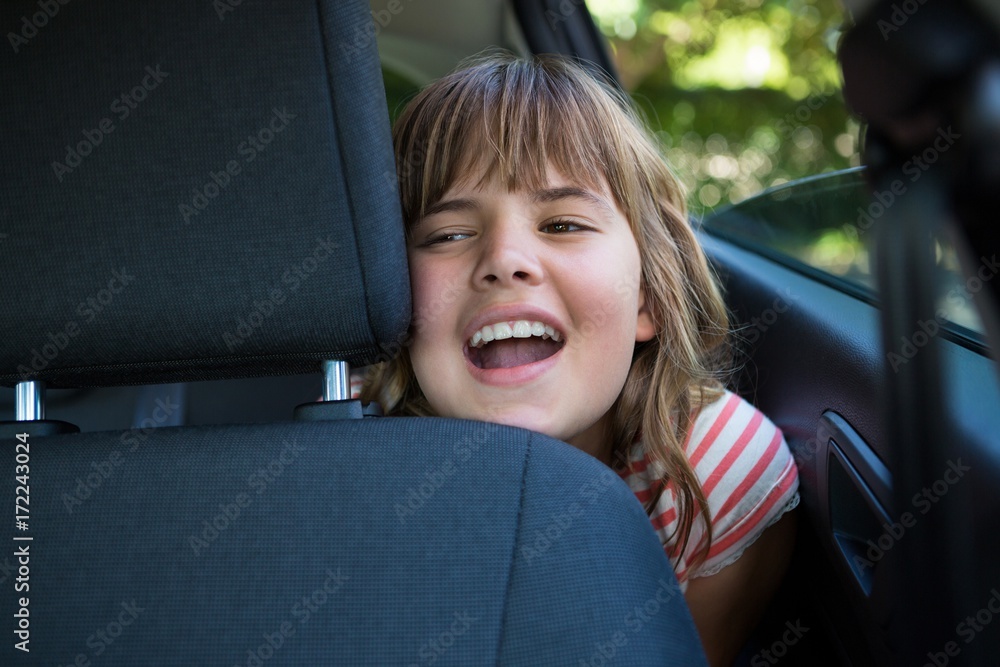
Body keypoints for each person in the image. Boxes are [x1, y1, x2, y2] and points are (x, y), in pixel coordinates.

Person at [359, 52, 799, 666]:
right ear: (391, 303)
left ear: (647, 296)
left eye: (563, 224)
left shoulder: (711, 469)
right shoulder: (349, 479)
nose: (505, 259)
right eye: (447, 235)